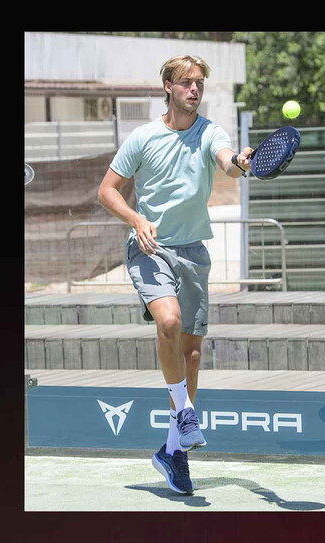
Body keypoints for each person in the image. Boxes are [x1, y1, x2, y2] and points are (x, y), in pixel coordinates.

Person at [97, 55, 253, 495]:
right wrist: (135, 219)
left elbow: (226, 162)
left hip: (193, 253)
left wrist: (239, 161)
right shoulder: (143, 137)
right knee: (168, 322)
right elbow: (107, 191)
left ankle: (173, 453)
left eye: (199, 83)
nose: (194, 90)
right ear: (167, 86)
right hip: (149, 247)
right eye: (186, 83)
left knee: (193, 354)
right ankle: (185, 415)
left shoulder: (211, 133)